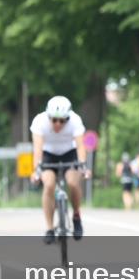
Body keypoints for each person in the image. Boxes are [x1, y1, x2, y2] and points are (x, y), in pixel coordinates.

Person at [31, 96, 90, 243]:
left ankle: (76, 216)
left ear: (68, 118)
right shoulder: (39, 121)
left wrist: (83, 166)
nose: (58, 124)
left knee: (73, 182)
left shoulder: (76, 120)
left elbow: (81, 147)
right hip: (48, 154)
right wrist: (35, 170)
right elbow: (37, 149)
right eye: (54, 120)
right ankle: (50, 228)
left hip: (69, 153)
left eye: (62, 120)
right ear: (48, 116)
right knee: (49, 184)